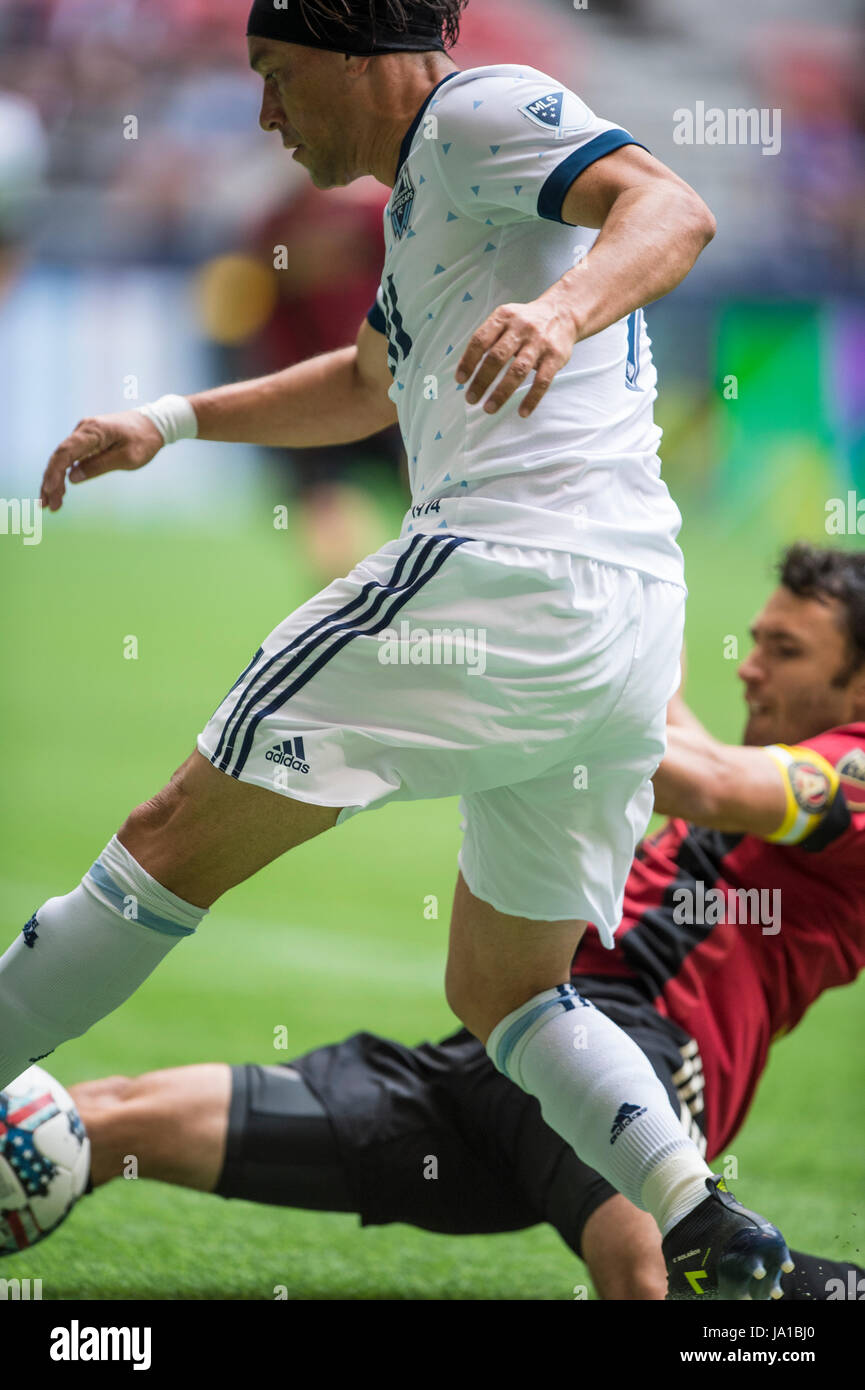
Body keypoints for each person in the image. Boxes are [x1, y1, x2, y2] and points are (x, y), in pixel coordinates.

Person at [1, 0, 788, 1298]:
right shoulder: (429, 194)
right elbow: (373, 381)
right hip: (624, 627)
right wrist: (172, 418)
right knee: (506, 988)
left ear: (353, 54)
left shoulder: (479, 112)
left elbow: (671, 207)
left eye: (275, 74)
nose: (264, 111)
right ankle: (700, 1217)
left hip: (507, 573)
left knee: (169, 835)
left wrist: (565, 309)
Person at [58, 542, 865, 1300]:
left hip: (629, 1051)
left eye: (785, 652)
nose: (749, 667)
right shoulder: (765, 771)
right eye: (756, 640)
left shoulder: (851, 778)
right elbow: (661, 720)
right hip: (500, 1053)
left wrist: (514, 683)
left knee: (657, 1274)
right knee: (100, 1124)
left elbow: (705, 780)